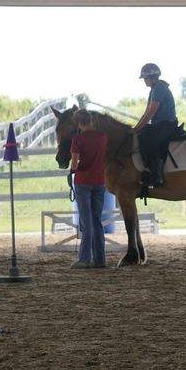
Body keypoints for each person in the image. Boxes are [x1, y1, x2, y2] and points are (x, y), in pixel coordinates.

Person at [69, 109, 108, 269]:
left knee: (86, 220)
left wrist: (72, 170)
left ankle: (84, 258)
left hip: (83, 181)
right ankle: (100, 259)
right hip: (100, 181)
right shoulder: (103, 137)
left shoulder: (78, 139)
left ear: (79, 123)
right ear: (90, 120)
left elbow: (74, 162)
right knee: (97, 220)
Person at [133, 62, 179, 188]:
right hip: (159, 123)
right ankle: (148, 170)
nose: (144, 81)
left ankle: (157, 176)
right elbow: (146, 112)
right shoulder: (154, 89)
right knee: (142, 136)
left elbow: (151, 112)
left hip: (167, 123)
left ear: (152, 77)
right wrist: (136, 129)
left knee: (151, 142)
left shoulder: (160, 88)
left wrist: (138, 128)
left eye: (145, 78)